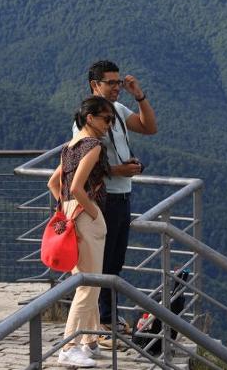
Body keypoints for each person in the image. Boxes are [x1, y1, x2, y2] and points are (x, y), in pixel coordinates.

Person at [82, 60, 158, 344]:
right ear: (95, 85)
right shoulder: (88, 118)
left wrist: (139, 95)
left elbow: (149, 127)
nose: (117, 87)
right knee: (103, 262)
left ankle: (109, 317)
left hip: (122, 194)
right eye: (111, 83)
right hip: (105, 198)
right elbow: (82, 165)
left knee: (115, 261)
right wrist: (117, 170)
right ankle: (103, 321)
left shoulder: (117, 110)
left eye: (118, 82)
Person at [48, 96, 114, 368]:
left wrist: (67, 209)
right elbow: (76, 187)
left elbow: (54, 183)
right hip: (86, 216)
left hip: (71, 216)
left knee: (86, 280)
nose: (109, 124)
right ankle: (69, 347)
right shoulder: (93, 146)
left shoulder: (69, 147)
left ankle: (89, 341)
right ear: (90, 118)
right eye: (106, 119)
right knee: (89, 285)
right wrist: (93, 212)